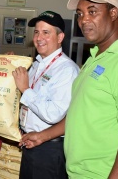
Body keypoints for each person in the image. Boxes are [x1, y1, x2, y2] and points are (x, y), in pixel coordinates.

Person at [63, 0, 118, 178]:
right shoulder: (96, 56)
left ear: (113, 13)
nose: (84, 20)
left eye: (92, 12)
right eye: (80, 14)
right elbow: (83, 111)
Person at [12, 11, 79, 179]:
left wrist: (26, 90)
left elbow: (54, 114)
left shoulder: (66, 70)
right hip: (30, 143)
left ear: (60, 37)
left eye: (46, 32)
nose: (39, 37)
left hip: (49, 150)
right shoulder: (36, 65)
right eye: (36, 32)